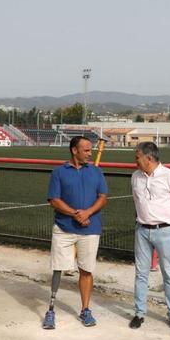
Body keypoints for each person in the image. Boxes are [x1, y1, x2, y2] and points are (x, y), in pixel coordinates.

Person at [42, 136, 108, 329]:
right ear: (74, 150)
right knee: (57, 267)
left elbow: (103, 198)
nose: (90, 153)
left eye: (90, 150)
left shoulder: (96, 171)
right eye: (86, 150)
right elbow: (54, 199)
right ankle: (51, 309)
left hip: (90, 228)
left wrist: (87, 212)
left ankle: (85, 310)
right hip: (64, 228)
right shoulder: (59, 172)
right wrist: (75, 213)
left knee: (86, 270)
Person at [129, 141, 170, 330]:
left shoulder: (169, 176)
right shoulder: (135, 177)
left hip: (165, 231)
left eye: (137, 157)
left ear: (149, 158)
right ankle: (139, 313)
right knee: (141, 273)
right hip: (142, 230)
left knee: (169, 274)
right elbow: (137, 201)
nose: (135, 160)